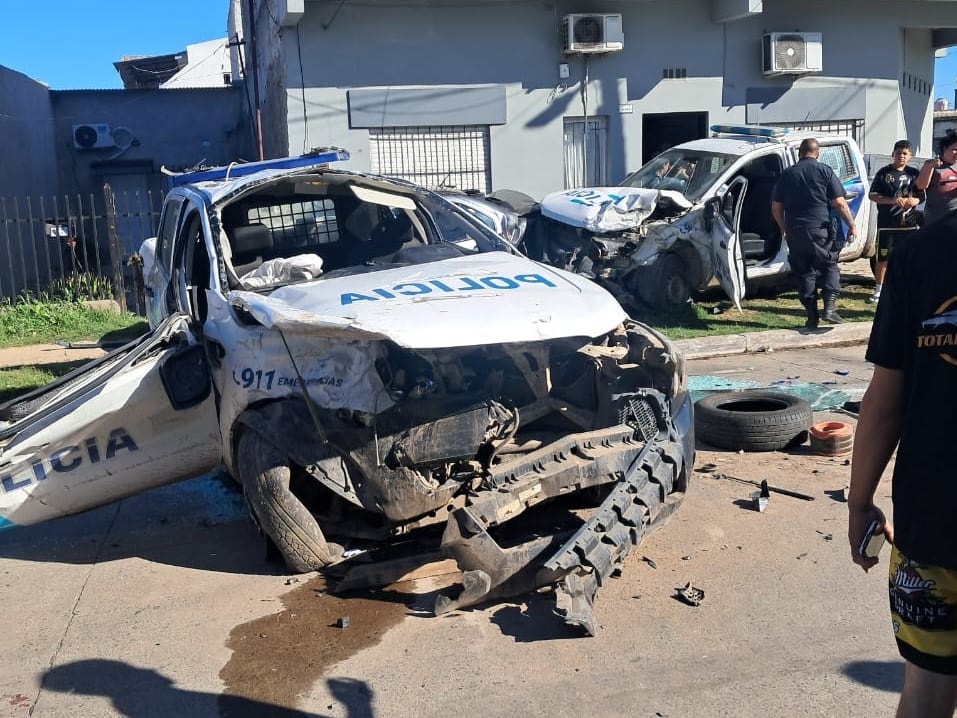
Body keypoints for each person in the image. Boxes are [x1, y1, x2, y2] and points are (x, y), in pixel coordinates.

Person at [847, 208, 957, 717]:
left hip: (933, 519)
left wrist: (859, 503)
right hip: (931, 523)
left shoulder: (918, 253)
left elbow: (884, 401)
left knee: (926, 694)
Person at [771, 138, 858, 329]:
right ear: (817, 153)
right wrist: (851, 224)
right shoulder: (825, 171)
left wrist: (785, 228)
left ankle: (812, 316)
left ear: (799, 153)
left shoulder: (787, 174)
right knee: (829, 266)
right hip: (819, 230)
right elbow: (840, 203)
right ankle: (829, 308)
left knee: (804, 273)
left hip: (795, 232)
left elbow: (776, 208)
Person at [867, 140, 923, 304]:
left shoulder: (914, 174)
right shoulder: (884, 173)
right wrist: (892, 200)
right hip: (887, 224)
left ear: (910, 155)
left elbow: (922, 195)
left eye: (905, 153)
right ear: (893, 154)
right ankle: (879, 290)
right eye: (898, 153)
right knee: (883, 258)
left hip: (909, 225)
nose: (901, 156)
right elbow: (873, 195)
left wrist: (915, 201)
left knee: (909, 258)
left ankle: (908, 288)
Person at [914, 130, 957, 226]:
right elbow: (921, 186)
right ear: (945, 148)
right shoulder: (931, 164)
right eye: (955, 149)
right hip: (936, 220)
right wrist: (930, 167)